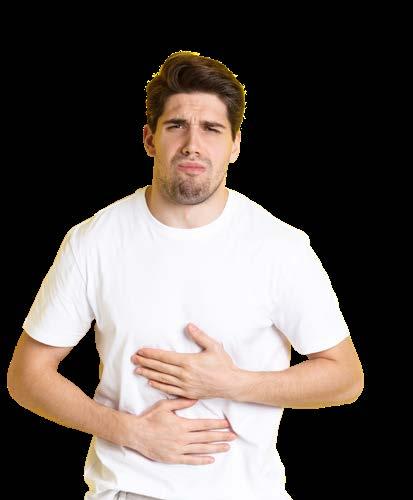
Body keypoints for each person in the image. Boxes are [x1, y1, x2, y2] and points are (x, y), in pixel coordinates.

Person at [7, 51, 364, 500]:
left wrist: (232, 383)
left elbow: (346, 378)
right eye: (177, 125)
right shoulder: (93, 241)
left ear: (235, 145)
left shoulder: (281, 247)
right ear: (149, 139)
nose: (193, 144)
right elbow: (27, 375)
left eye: (211, 129)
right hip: (126, 492)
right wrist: (129, 431)